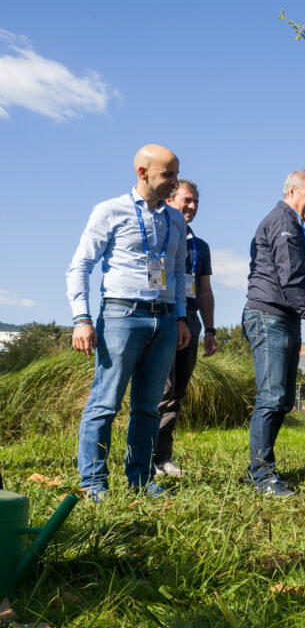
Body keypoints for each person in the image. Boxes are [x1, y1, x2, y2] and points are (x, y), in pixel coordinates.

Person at [67, 144, 191, 501]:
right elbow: (80, 266)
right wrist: (82, 319)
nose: (175, 182)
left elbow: (179, 271)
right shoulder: (110, 211)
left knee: (148, 407)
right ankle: (93, 483)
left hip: (166, 320)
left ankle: (139, 480)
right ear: (143, 173)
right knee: (105, 403)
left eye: (176, 173)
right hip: (122, 315)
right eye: (168, 174)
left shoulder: (176, 219)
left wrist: (181, 317)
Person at [243, 169, 305, 497]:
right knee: (272, 397)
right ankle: (262, 477)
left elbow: (287, 274)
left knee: (282, 400)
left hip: (283, 317)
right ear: (293, 191)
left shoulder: (293, 225)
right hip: (270, 317)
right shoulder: (285, 223)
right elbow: (289, 278)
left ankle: (266, 468)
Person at [154, 179, 216, 477]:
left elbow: (204, 290)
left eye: (195, 202)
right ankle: (145, 457)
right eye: (186, 200)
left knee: (177, 392)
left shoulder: (199, 246)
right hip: (164, 317)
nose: (191, 207)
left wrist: (211, 329)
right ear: (169, 199)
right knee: (160, 391)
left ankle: (164, 456)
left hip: (191, 320)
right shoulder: (158, 235)